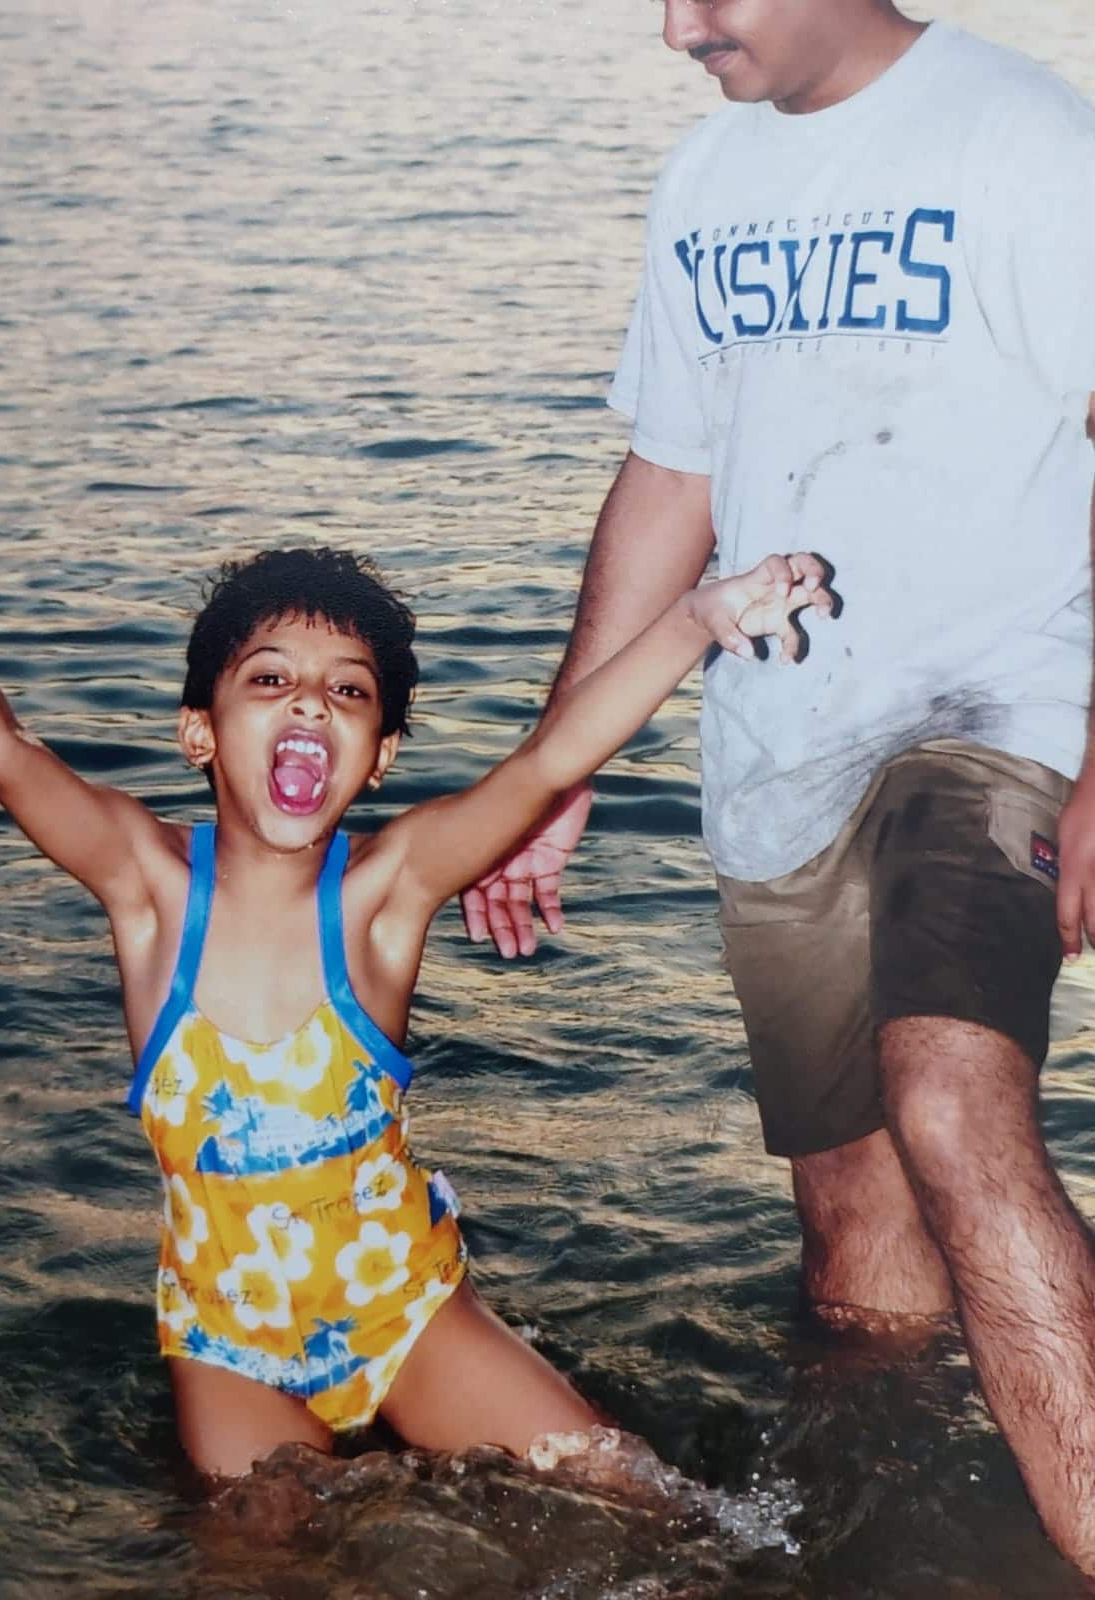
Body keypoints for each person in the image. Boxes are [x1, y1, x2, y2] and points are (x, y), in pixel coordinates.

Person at [462, 0, 1095, 1574]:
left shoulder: (1029, 140)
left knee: (955, 1096)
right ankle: (894, 1554)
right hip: (777, 754)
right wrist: (563, 768)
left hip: (993, 712)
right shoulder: (705, 183)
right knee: (857, 1257)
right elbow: (675, 471)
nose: (678, 26)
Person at [0, 542, 830, 1481]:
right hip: (229, 1338)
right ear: (201, 733)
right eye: (270, 678)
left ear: (379, 756)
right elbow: (1, 751)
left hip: (405, 1309)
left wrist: (692, 619)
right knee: (262, 1558)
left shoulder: (386, 893)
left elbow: (551, 761)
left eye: (348, 692)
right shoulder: (145, 889)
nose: (309, 702)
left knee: (626, 1489)